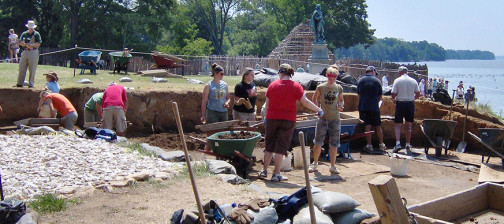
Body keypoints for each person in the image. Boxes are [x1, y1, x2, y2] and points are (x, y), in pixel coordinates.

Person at [259, 64, 323, 182]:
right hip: (287, 120)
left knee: (269, 145)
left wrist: (266, 117)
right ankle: (276, 174)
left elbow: (267, 104)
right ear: (290, 74)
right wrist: (318, 109)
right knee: (280, 147)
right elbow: (305, 102)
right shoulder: (296, 86)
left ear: (281, 73)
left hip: (271, 118)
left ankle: (264, 171)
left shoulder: (272, 85)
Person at [310, 65, 344, 174]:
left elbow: (341, 100)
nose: (332, 79)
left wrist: (341, 106)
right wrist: (318, 109)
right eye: (330, 77)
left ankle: (333, 166)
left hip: (335, 118)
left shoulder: (339, 88)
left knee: (334, 143)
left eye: (334, 77)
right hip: (323, 118)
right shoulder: (321, 87)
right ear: (327, 76)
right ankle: (315, 163)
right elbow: (314, 98)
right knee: (318, 142)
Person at [357, 66, 387, 154]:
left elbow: (358, 94)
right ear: (373, 71)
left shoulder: (360, 81)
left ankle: (369, 145)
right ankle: (381, 144)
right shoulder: (377, 81)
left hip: (363, 107)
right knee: (378, 126)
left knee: (367, 125)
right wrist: (375, 102)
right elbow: (380, 96)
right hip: (374, 107)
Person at [392, 66, 420, 154]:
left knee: (398, 125)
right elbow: (418, 93)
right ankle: (408, 144)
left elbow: (393, 93)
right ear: (406, 72)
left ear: (400, 72)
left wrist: (394, 99)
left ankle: (398, 143)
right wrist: (412, 98)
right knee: (408, 125)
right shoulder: (413, 81)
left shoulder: (397, 80)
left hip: (400, 103)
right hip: (410, 103)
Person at [17, 20, 42, 88]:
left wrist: (31, 45)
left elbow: (38, 43)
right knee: (22, 67)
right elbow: (20, 41)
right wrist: (25, 45)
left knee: (32, 68)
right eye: (30, 27)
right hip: (25, 51)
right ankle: (20, 82)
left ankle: (31, 83)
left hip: (33, 52)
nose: (31, 28)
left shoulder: (36, 34)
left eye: (32, 27)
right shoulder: (24, 34)